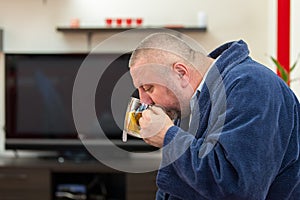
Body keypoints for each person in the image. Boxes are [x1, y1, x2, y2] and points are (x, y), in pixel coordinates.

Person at [128, 32, 300, 200]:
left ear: (180, 73)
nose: (144, 100)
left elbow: (236, 188)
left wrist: (168, 136)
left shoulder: (252, 86)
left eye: (149, 88)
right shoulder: (191, 103)